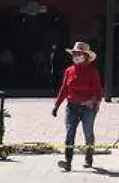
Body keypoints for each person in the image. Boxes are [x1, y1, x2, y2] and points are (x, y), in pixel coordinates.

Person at [51, 41, 103, 172]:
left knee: (88, 133)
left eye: (79, 53)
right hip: (72, 107)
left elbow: (98, 90)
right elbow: (64, 89)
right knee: (70, 133)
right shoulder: (69, 71)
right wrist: (56, 105)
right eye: (74, 53)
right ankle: (68, 161)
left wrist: (96, 103)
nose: (76, 56)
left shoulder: (92, 71)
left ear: (86, 56)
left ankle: (89, 157)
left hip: (87, 108)